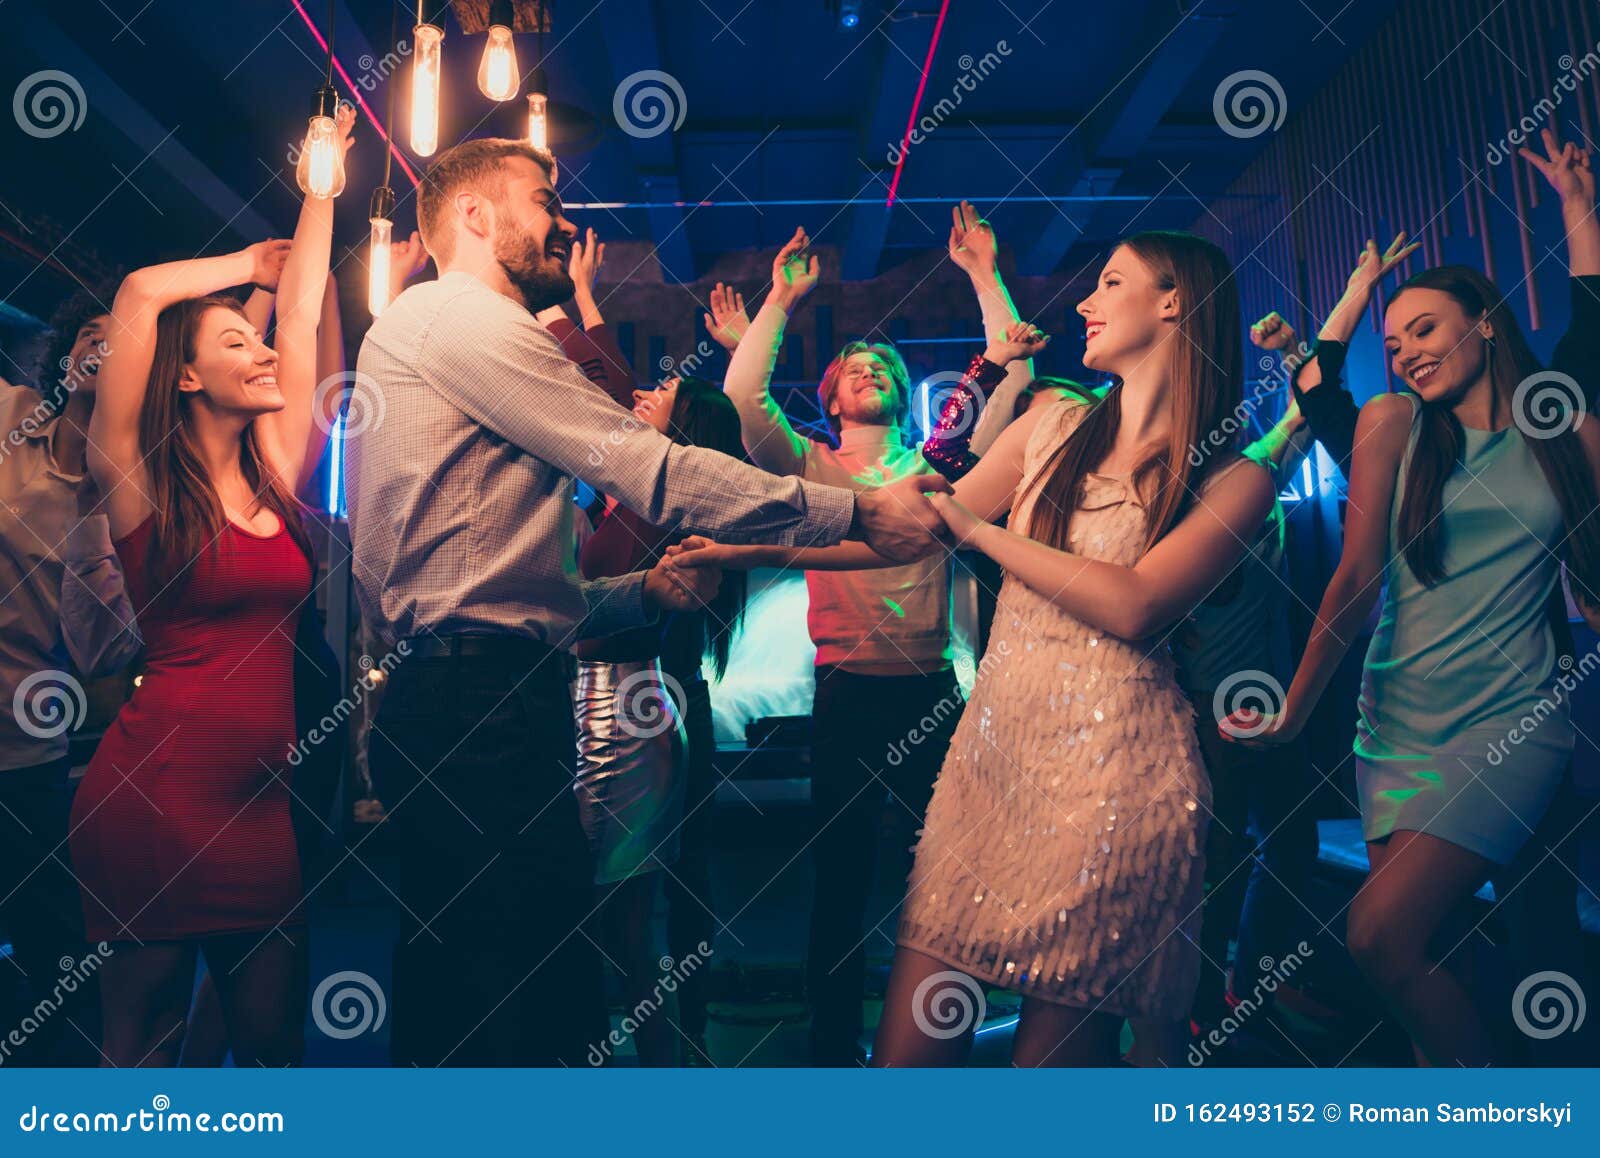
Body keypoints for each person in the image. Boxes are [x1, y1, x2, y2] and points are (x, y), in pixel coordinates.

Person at [345, 137, 946, 1068]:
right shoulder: (463, 321)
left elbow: (500, 588)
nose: (563, 222)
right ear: (472, 216)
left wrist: (638, 594)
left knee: (474, 989)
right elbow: (648, 470)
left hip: (472, 694)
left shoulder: (442, 330)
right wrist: (857, 510)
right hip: (479, 708)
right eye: (543, 200)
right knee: (529, 1000)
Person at [1225, 130, 1600, 1067]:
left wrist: (1577, 208)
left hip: (1513, 719)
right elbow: (1352, 578)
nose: (1407, 355)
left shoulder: (1569, 428)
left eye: (1424, 329)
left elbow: (1592, 325)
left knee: (1380, 939)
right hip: (1393, 720)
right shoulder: (1393, 427)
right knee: (1414, 953)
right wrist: (1294, 712)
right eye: (1394, 345)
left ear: (1484, 318)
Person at [867, 229, 1273, 1066]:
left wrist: (979, 528)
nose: (1085, 302)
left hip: (1116, 789)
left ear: (1172, 301)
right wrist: (747, 542)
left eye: (1110, 282)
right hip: (992, 767)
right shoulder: (1052, 422)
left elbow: (1137, 604)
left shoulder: (1236, 478)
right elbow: (911, 534)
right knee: (906, 1070)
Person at [70, 106, 353, 1068]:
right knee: (143, 1049)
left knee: (275, 1052)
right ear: (186, 379)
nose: (266, 350)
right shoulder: (137, 480)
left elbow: (307, 311)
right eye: (238, 344)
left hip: (261, 813)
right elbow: (142, 293)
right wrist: (249, 266)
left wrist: (320, 196)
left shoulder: (276, 467)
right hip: (153, 799)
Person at [715, 206, 1032, 1065]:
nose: (870, 370)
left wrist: (980, 273)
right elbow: (743, 399)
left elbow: (1010, 372)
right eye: (854, 367)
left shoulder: (940, 463)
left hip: (932, 689)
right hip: (847, 693)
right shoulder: (814, 470)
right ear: (830, 397)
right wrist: (780, 305)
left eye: (882, 364)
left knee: (953, 870)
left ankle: (940, 1035)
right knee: (842, 880)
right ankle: (830, 1046)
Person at [0, 287, 142, 1066]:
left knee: (56, 966)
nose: (105, 344)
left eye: (124, 339)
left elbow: (106, 654)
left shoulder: (121, 496)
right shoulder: (10, 412)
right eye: (93, 332)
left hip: (27, 754)